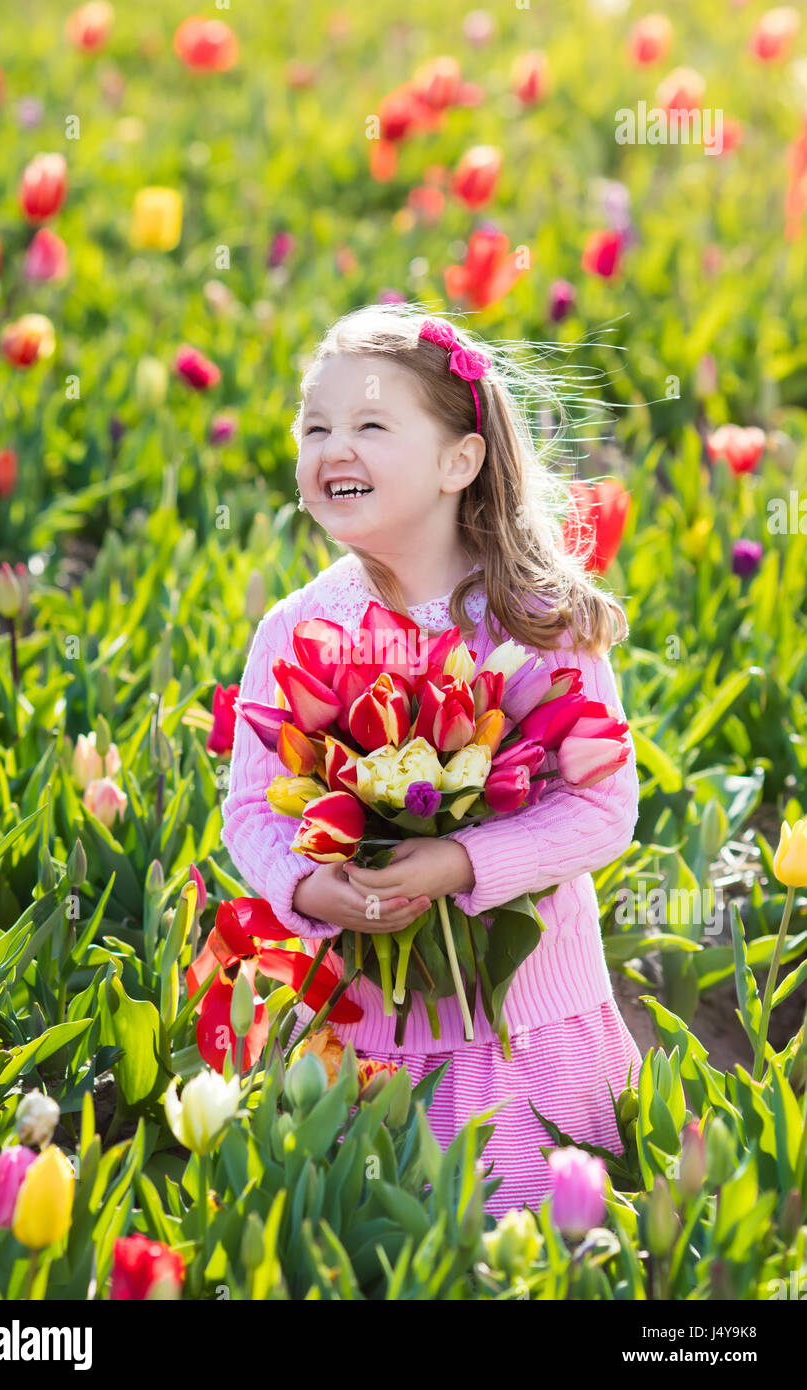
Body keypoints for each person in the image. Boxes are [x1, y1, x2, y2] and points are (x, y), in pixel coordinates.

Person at [221, 302, 643, 1219]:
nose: (335, 446)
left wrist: (462, 860)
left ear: (461, 461)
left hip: (525, 1022)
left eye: (372, 424)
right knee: (377, 1247)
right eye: (315, 424)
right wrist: (305, 890)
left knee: (520, 1248)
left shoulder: (538, 623)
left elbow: (604, 808)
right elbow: (253, 810)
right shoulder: (296, 628)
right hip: (361, 1021)